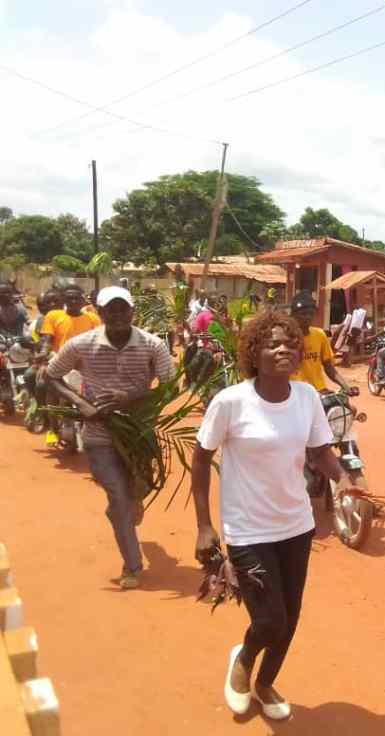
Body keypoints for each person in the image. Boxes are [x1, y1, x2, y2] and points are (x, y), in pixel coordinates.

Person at [191, 311, 367, 720]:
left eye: (289, 343)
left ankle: (266, 682)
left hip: (296, 525)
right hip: (247, 529)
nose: (283, 349)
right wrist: (203, 525)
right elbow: (200, 459)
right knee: (269, 620)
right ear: (254, 352)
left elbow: (320, 451)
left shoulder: (306, 397)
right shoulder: (231, 402)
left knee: (290, 616)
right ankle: (243, 659)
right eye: (272, 344)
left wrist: (342, 479)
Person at [45, 287, 175, 589]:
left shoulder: (152, 345)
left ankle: (130, 502)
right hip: (99, 433)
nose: (117, 315)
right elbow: (50, 375)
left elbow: (170, 386)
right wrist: (81, 404)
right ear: (100, 313)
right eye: (110, 310)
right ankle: (132, 565)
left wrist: (131, 396)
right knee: (118, 497)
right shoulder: (82, 344)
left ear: (132, 312)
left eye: (123, 309)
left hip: (138, 433)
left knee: (137, 490)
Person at [39, 284, 102, 446]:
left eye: (76, 298)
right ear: (63, 300)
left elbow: (99, 340)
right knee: (48, 387)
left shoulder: (93, 318)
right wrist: (43, 352)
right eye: (69, 298)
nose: (73, 301)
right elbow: (47, 339)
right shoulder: (53, 315)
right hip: (59, 360)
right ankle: (52, 429)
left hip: (85, 363)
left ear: (83, 300)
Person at [289, 292, 347, 392]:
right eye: (303, 314)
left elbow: (329, 367)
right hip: (295, 391)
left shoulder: (319, 335)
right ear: (293, 315)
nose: (307, 317)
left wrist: (345, 386)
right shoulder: (286, 338)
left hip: (318, 390)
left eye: (311, 314)